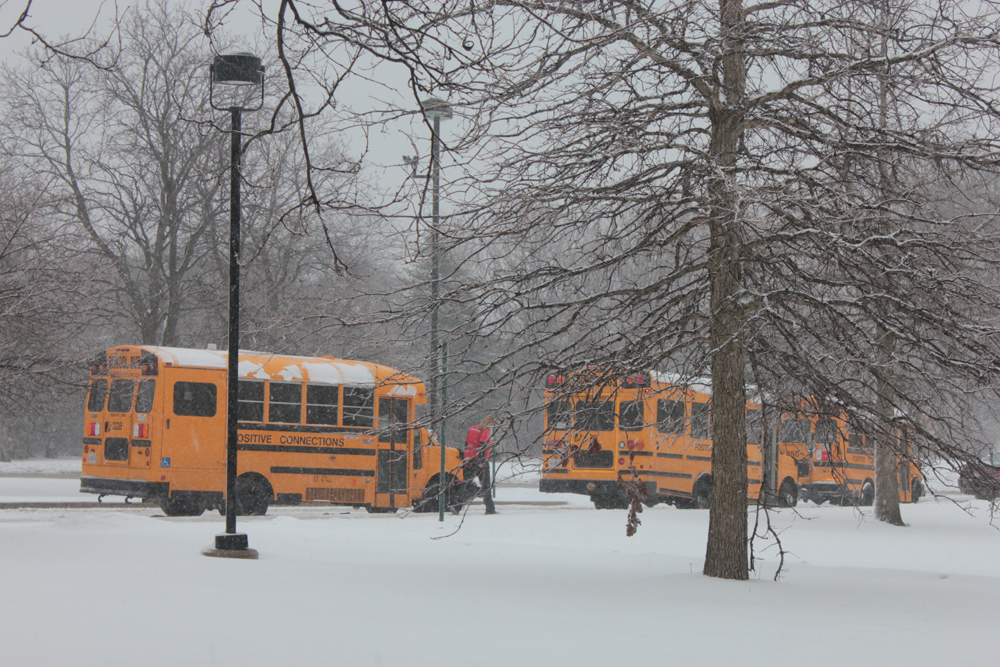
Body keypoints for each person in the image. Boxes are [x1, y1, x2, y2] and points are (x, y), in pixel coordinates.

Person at [464, 415, 498, 514]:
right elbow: (482, 445)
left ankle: (457, 505)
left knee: (465, 482)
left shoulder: (472, 428)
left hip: (468, 458)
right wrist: (482, 461)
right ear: (490, 423)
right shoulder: (485, 431)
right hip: (479, 459)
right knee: (485, 484)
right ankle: (490, 508)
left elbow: (466, 443)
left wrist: (467, 454)